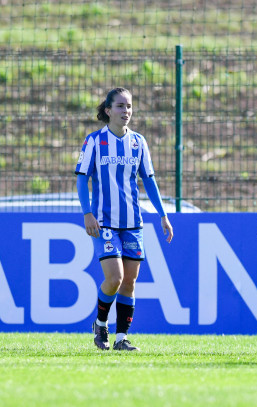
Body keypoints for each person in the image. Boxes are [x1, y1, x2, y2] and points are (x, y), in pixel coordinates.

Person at [76, 87, 174, 352]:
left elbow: (149, 181)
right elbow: (82, 178)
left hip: (133, 223)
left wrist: (162, 215)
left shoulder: (138, 142)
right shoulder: (95, 141)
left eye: (129, 106)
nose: (126, 111)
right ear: (108, 111)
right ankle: (100, 323)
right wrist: (87, 213)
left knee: (129, 281)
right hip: (105, 222)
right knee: (114, 278)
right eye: (120, 106)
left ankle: (121, 338)